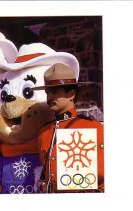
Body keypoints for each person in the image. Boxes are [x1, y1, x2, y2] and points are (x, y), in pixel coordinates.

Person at [33, 63, 104, 193]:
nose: (50, 97)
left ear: (71, 94)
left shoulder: (92, 127)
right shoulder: (44, 131)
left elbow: (103, 179)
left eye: (55, 92)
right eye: (48, 92)